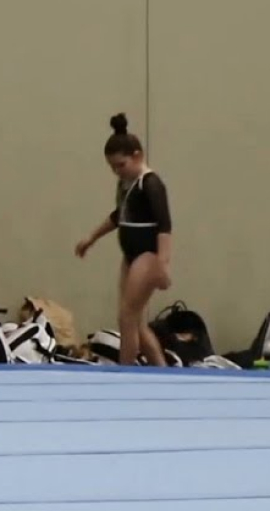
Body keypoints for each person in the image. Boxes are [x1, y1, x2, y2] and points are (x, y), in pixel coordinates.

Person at [74, 113, 172, 367]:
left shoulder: (151, 183)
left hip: (147, 256)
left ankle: (126, 372)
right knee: (135, 320)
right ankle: (161, 370)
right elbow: (119, 216)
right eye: (112, 168)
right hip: (130, 256)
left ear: (137, 156)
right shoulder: (127, 184)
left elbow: (165, 226)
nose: (117, 172)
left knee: (126, 317)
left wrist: (162, 265)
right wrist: (91, 238)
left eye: (121, 165)